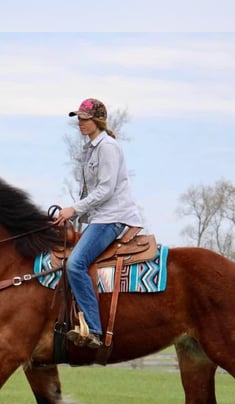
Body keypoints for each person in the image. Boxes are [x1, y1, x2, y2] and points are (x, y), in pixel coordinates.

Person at [53, 98, 143, 349]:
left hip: (112, 217)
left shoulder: (108, 147)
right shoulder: (90, 149)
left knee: (75, 264)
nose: (80, 123)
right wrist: (71, 215)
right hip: (97, 218)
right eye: (78, 119)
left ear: (98, 121)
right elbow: (88, 191)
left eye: (85, 118)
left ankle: (94, 329)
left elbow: (105, 190)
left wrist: (74, 209)